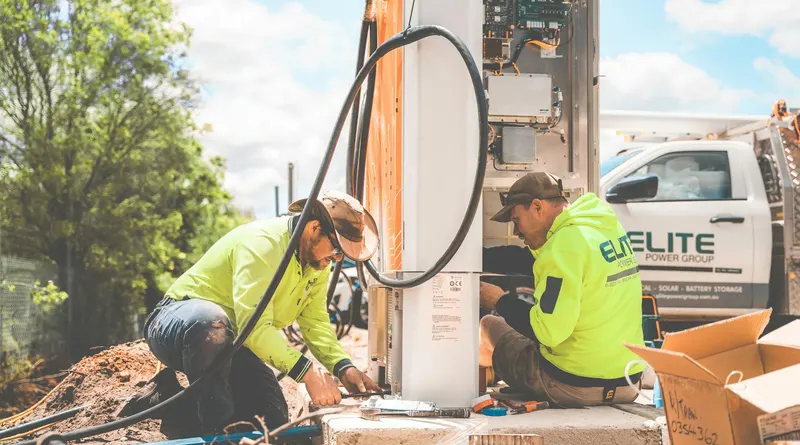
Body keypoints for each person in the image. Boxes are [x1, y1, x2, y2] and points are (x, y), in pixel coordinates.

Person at [129, 190, 382, 436]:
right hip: (176, 323)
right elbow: (255, 327)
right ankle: (213, 430)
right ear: (314, 228)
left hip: (230, 341)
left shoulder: (317, 264)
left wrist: (343, 367)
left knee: (271, 418)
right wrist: (308, 374)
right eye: (337, 249)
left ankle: (168, 400)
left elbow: (315, 322)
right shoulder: (263, 245)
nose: (337, 259)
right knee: (211, 328)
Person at [478, 172, 646, 407]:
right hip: (628, 383)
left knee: (489, 326)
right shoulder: (604, 228)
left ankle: (475, 395)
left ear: (537, 207)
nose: (517, 232)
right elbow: (535, 261)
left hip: (573, 385)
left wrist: (500, 301)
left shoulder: (561, 247)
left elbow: (549, 332)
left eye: (517, 221)